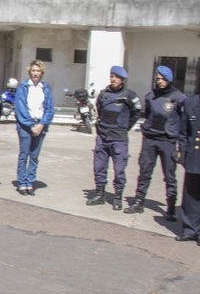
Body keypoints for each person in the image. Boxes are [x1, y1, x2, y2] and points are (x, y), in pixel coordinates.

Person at [125, 66, 186, 218]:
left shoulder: (179, 97)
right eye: (158, 79)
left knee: (169, 176)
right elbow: (148, 116)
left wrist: (180, 142)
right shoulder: (150, 96)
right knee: (144, 172)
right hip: (150, 140)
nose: (159, 81)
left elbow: (184, 122)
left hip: (168, 141)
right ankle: (139, 202)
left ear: (169, 79)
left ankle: (171, 208)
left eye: (163, 79)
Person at [85, 66, 141, 210]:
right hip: (103, 137)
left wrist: (124, 127)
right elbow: (99, 109)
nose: (113, 79)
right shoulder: (103, 94)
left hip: (119, 139)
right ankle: (100, 194)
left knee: (119, 170)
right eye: (111, 76)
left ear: (122, 79)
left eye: (116, 77)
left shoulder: (129, 96)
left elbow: (136, 113)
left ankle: (117, 197)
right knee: (99, 167)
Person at [14, 60, 54, 195]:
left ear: (42, 73)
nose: (35, 73)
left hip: (40, 125)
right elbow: (20, 108)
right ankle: (22, 182)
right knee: (24, 154)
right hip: (26, 126)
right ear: (29, 72)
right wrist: (31, 125)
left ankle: (30, 182)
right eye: (33, 70)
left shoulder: (45, 87)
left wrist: (42, 124)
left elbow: (49, 108)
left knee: (34, 156)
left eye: (38, 71)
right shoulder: (23, 87)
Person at [176, 80, 200, 243]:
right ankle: (190, 229)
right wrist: (183, 155)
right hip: (194, 155)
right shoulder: (191, 102)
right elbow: (183, 132)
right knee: (191, 195)